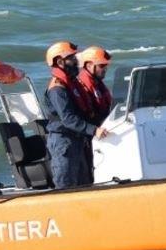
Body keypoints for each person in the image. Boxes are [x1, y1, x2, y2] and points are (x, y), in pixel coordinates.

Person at [42, 41, 109, 188]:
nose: (76, 61)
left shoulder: (71, 84)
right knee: (66, 184)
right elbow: (68, 119)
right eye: (71, 58)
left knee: (85, 183)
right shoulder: (57, 89)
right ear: (60, 62)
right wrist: (94, 130)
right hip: (63, 141)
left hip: (76, 139)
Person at [76, 46, 114, 182]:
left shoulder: (97, 84)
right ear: (89, 65)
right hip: (88, 136)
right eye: (101, 66)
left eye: (106, 66)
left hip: (100, 131)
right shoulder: (82, 85)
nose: (105, 69)